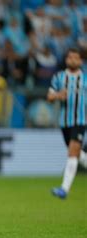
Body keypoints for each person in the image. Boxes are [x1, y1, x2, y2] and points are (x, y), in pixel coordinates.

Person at [48, 48, 87, 199]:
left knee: (72, 152)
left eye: (75, 58)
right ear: (66, 60)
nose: (72, 60)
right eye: (70, 57)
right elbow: (49, 97)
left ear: (80, 61)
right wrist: (58, 95)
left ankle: (64, 189)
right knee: (76, 154)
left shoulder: (85, 78)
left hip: (81, 120)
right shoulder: (59, 77)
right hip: (65, 122)